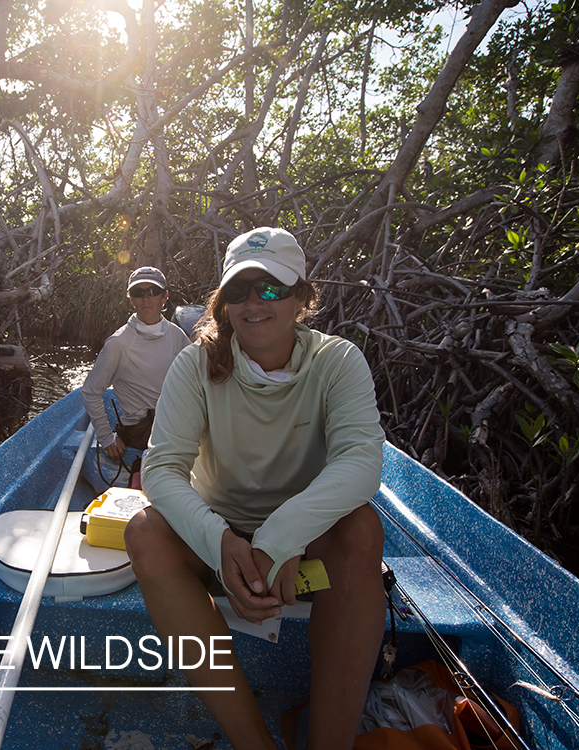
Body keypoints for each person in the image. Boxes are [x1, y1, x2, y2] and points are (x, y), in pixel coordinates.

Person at [126, 227, 386, 750]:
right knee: (144, 532)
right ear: (223, 304)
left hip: (303, 549)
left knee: (361, 530)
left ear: (300, 299)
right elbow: (161, 469)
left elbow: (361, 461)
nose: (254, 303)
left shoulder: (337, 362)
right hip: (218, 541)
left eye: (270, 288)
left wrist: (280, 539)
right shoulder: (195, 364)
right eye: (239, 291)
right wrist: (222, 545)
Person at [81, 266, 191, 464]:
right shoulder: (118, 344)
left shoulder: (177, 335)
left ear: (164, 297)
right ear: (130, 299)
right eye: (138, 293)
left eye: (153, 292)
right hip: (143, 429)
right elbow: (90, 391)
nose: (146, 298)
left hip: (175, 420)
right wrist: (106, 438)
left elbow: (196, 376)